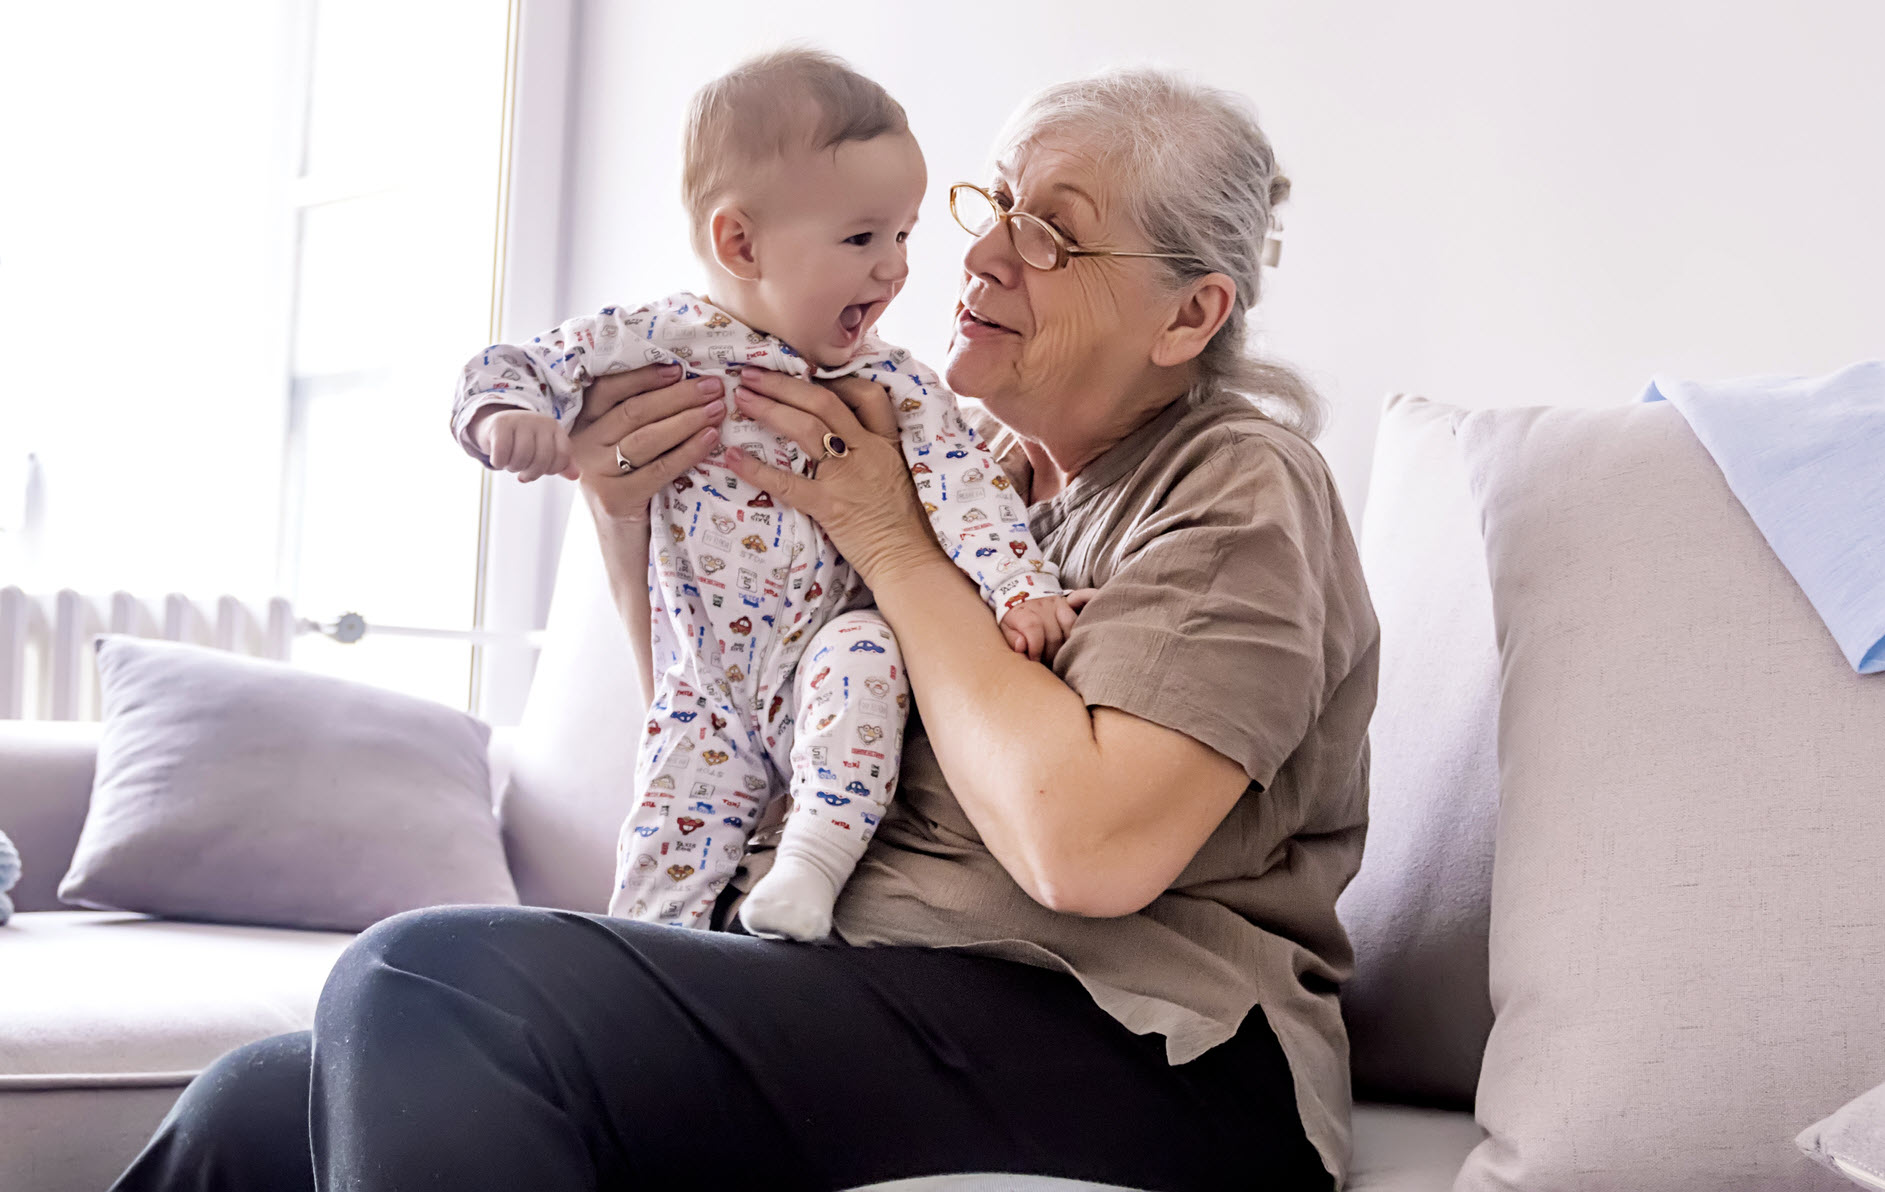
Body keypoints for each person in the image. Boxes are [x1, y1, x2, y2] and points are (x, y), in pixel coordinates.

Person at [113, 66, 1376, 1192]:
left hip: (1146, 1046)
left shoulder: (1236, 484)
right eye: (990, 205)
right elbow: (742, 705)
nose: (984, 253)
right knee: (257, 1107)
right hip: (871, 976)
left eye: (1048, 234)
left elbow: (1084, 851)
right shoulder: (972, 465)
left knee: (430, 979)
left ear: (1187, 317)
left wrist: (889, 541)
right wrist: (620, 513)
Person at [452, 49, 1078, 942]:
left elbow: (968, 488)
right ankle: (646, 973)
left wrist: (1021, 588)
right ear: (739, 243)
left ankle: (809, 869)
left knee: (869, 653)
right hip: (704, 686)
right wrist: (503, 416)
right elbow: (514, 363)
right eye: (863, 239)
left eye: (902, 237)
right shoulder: (657, 341)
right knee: (659, 875)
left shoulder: (893, 382)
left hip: (823, 658)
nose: (895, 271)